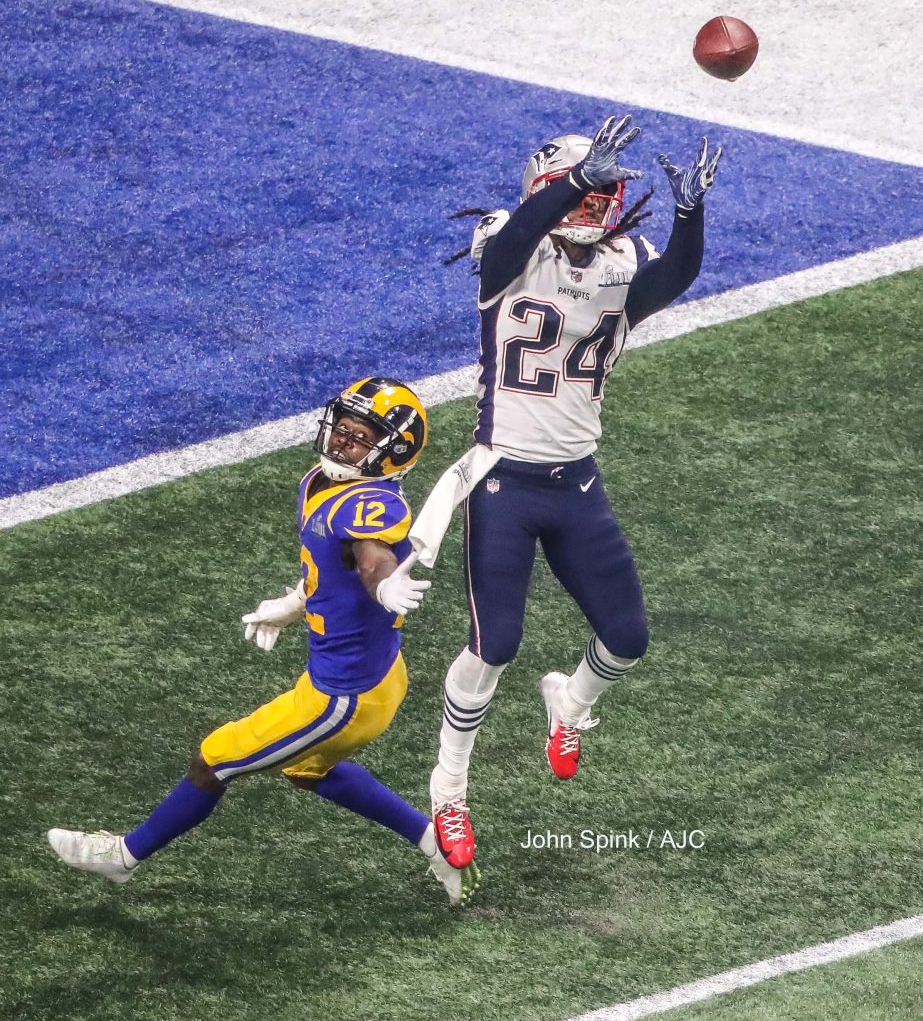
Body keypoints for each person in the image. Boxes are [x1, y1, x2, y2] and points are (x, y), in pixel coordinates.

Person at [47, 377, 480, 906]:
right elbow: (335, 565)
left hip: (342, 696)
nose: (342, 441)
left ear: (391, 453)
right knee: (305, 770)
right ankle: (432, 841)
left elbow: (370, 558)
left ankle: (123, 857)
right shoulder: (321, 482)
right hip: (374, 677)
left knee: (215, 760)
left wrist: (385, 582)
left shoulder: (371, 504)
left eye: (360, 436)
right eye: (341, 427)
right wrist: (297, 603)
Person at [427, 115, 723, 867]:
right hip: (502, 479)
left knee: (626, 641)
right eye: (585, 194)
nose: (599, 207)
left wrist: (690, 218)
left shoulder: (626, 258)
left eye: (606, 193)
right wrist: (569, 187)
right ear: (548, 189)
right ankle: (448, 790)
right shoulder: (508, 243)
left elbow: (671, 280)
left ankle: (572, 700)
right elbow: (508, 246)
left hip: (576, 480)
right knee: (496, 642)